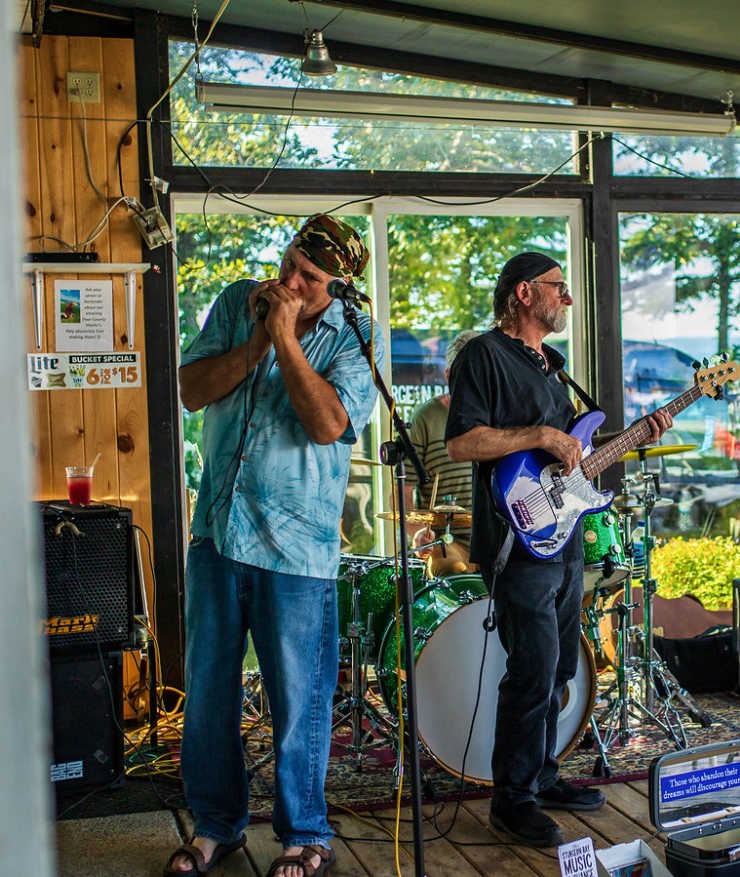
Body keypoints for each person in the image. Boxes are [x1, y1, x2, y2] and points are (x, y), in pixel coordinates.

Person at [169, 214, 385, 877]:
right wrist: (261, 334)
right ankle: (216, 824)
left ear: (339, 286)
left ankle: (305, 833)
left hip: (296, 552)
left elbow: (326, 425)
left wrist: (288, 338)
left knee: (299, 698)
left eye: (310, 278)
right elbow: (191, 388)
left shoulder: (356, 333)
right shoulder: (240, 301)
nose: (290, 281)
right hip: (217, 532)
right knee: (207, 693)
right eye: (291, 263)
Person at [445, 252, 671, 847]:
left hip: (563, 537)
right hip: (515, 545)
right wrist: (540, 434)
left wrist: (638, 436)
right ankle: (510, 799)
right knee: (533, 670)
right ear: (524, 293)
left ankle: (541, 777)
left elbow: (571, 463)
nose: (567, 299)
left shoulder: (556, 369)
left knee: (563, 666)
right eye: (557, 288)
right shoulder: (483, 356)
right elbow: (463, 442)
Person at [402, 328, 484, 573]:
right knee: (451, 566)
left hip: (501, 541)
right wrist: (418, 534)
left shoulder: (502, 417)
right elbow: (403, 495)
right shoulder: (424, 419)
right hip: (450, 542)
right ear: (449, 375)